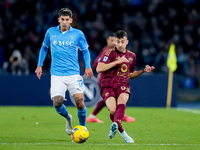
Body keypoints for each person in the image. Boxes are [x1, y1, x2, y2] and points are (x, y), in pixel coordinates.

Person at [35, 8, 93, 136]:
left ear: (71, 20)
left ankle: (82, 129)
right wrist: (39, 65)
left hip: (73, 74)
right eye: (63, 19)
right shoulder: (51, 32)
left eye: (67, 20)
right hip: (57, 75)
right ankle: (68, 118)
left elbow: (85, 51)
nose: (65, 22)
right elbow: (44, 48)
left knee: (80, 102)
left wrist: (88, 66)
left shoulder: (78, 34)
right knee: (57, 102)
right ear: (58, 20)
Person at [96, 30, 155, 143]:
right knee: (113, 110)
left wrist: (143, 70)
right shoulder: (109, 52)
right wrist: (116, 62)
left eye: (122, 42)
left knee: (122, 102)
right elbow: (99, 68)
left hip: (122, 84)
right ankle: (122, 131)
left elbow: (131, 74)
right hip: (107, 84)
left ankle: (115, 125)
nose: (120, 44)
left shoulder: (132, 56)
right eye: (118, 42)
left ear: (127, 42)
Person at [87, 33, 135, 123]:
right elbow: (96, 65)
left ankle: (93, 116)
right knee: (112, 98)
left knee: (112, 98)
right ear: (107, 41)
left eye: (115, 41)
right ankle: (120, 116)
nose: (114, 43)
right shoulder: (107, 51)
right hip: (104, 78)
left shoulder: (114, 51)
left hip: (112, 79)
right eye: (112, 40)